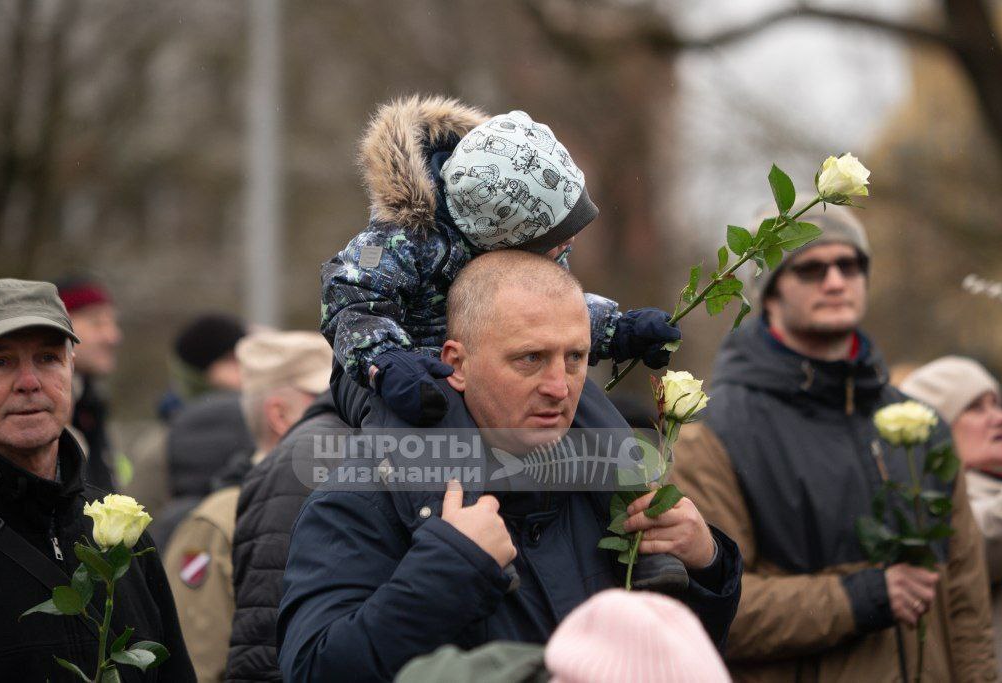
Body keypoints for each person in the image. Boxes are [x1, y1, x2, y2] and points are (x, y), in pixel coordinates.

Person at [279, 251, 742, 683]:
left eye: (575, 358)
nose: (559, 387)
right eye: (530, 358)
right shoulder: (367, 491)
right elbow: (312, 667)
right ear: (455, 363)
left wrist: (707, 567)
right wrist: (449, 570)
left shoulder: (616, 480)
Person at [673, 206, 997, 681]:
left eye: (850, 265)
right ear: (770, 290)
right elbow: (719, 607)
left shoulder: (921, 426)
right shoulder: (715, 432)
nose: (835, 281)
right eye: (811, 268)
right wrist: (863, 597)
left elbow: (967, 610)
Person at [321, 95, 680, 428]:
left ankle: (625, 490)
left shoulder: (533, 249)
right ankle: (440, 495)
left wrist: (618, 331)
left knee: (593, 415)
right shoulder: (402, 241)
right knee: (436, 417)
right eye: (556, 236)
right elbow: (352, 302)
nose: (568, 242)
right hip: (386, 370)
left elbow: (542, 317)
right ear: (502, 233)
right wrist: (385, 361)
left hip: (483, 369)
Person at [0, 278, 195, 682]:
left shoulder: (121, 530)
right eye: (0, 362)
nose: (29, 382)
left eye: (47, 358)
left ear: (71, 368)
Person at [163, 330, 333, 682]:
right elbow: (198, 665)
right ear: (280, 415)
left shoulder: (348, 499)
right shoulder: (217, 521)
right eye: (325, 401)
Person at [225, 353, 347, 682]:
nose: (333, 394)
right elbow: (263, 643)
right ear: (278, 413)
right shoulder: (305, 463)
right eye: (317, 391)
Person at [901, 356, 1002, 670]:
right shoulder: (924, 508)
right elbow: (974, 539)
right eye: (974, 408)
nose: (997, 417)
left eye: (996, 403)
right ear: (936, 431)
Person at [397, 588, 731, 683]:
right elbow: (348, 660)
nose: (557, 410)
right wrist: (453, 563)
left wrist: (710, 567)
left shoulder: (617, 470)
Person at [152, 314, 254, 550]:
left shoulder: (256, 423)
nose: (245, 368)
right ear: (199, 372)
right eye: (231, 360)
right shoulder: (159, 444)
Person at [55, 276, 123, 491]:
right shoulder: (39, 408)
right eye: (96, 322)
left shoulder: (92, 404)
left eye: (112, 322)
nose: (113, 336)